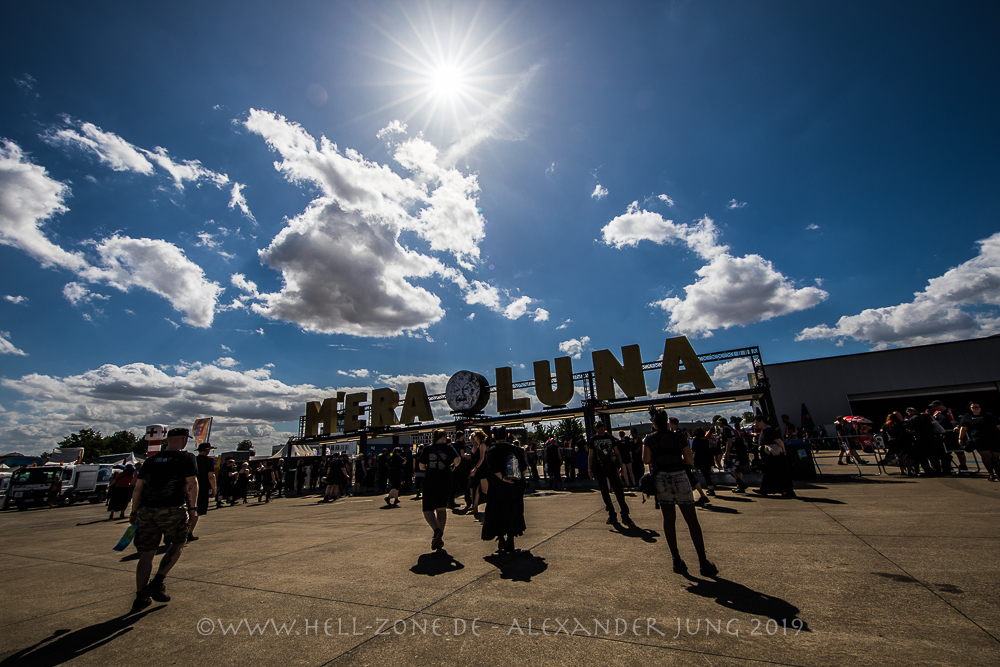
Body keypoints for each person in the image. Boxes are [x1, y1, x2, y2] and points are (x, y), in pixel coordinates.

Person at [128, 427, 198, 613]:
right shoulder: (186, 457)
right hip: (172, 508)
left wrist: (134, 512)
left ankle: (140, 596)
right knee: (177, 543)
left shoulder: (150, 460)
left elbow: (137, 488)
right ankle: (158, 581)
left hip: (146, 510)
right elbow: (191, 483)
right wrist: (192, 509)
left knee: (147, 553)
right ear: (184, 440)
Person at [643, 412, 717, 576]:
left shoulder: (649, 439)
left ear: (654, 422)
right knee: (691, 519)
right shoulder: (679, 438)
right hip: (679, 476)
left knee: (669, 520)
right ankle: (703, 561)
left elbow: (646, 460)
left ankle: (676, 559)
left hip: (662, 479)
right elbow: (689, 460)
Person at [481, 427, 528, 554]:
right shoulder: (515, 449)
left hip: (497, 487)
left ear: (494, 437)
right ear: (506, 436)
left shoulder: (492, 450)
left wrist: (502, 478)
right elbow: (523, 466)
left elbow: (492, 467)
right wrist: (521, 479)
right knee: (513, 511)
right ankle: (511, 539)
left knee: (497, 512)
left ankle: (501, 538)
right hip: (514, 486)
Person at [418, 429, 460, 551]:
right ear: (443, 437)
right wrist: (452, 467)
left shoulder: (427, 449)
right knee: (441, 508)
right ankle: (440, 534)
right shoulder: (448, 448)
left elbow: (421, 466)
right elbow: (458, 460)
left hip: (430, 480)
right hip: (445, 480)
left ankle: (436, 531)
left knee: (427, 509)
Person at [587, 422, 633, 526]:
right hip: (599, 467)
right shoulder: (593, 440)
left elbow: (617, 453)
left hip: (611, 466)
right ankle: (612, 514)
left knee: (618, 490)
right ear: (595, 429)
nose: (601, 428)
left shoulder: (611, 438)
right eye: (598, 427)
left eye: (602, 426)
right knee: (604, 491)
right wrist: (590, 470)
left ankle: (625, 514)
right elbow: (590, 455)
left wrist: (621, 466)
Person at [753, 416, 796, 498]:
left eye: (757, 422)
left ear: (762, 421)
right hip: (771, 456)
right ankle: (766, 489)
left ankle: (786, 490)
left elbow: (779, 441)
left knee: (776, 473)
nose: (756, 424)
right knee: (770, 473)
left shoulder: (768, 430)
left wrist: (784, 450)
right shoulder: (765, 430)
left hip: (774, 456)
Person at [958, 402, 1000, 482]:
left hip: (994, 438)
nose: (976, 408)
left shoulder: (989, 416)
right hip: (979, 440)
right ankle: (991, 473)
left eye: (977, 407)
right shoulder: (967, 417)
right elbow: (963, 428)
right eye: (973, 407)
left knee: (995, 457)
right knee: (986, 456)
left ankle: (998, 473)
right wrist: (960, 438)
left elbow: (998, 426)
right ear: (970, 408)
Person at [189, 443, 216, 541]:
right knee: (197, 511)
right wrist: (214, 489)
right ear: (207, 450)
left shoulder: (193, 460)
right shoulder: (209, 461)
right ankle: (189, 532)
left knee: (189, 508)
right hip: (202, 488)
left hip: (190, 487)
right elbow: (211, 476)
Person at [469, 430, 490, 514]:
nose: (473, 437)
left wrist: (475, 468)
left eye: (474, 436)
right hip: (480, 469)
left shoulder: (482, 445)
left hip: (482, 470)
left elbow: (482, 458)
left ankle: (495, 505)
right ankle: (474, 509)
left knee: (485, 490)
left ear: (478, 436)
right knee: (477, 489)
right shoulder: (478, 445)